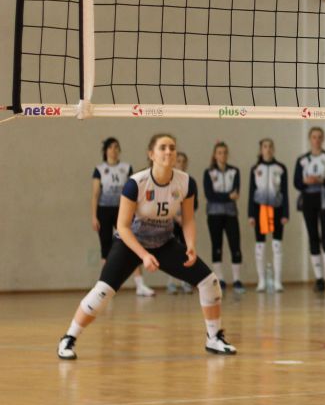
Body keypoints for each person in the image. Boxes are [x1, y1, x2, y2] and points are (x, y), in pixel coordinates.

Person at [58, 133, 237, 360]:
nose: (168, 151)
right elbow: (122, 227)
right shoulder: (136, 183)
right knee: (103, 292)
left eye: (172, 147)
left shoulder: (186, 182)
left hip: (164, 242)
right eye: (162, 147)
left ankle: (214, 338)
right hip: (131, 243)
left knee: (209, 282)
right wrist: (143, 255)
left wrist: (190, 245)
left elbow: (188, 219)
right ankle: (69, 338)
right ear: (151, 154)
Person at [92, 138, 153, 296]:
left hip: (123, 209)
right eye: (110, 147)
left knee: (131, 244)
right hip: (104, 211)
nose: (114, 150)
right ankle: (104, 288)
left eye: (116, 147)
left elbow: (134, 190)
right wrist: (94, 216)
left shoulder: (126, 168)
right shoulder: (99, 169)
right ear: (105, 151)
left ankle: (140, 285)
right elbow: (95, 194)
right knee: (106, 248)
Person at [296, 127, 325, 292]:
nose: (317, 140)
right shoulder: (302, 160)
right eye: (314, 137)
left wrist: (322, 180)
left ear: (323, 139)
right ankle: (319, 278)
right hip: (308, 201)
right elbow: (296, 182)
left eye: (320, 137)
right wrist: (306, 181)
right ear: (310, 139)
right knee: (313, 237)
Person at [249, 138, 289, 292]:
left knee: (277, 245)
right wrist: (251, 214)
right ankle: (262, 281)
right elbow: (251, 192)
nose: (268, 149)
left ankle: (278, 281)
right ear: (261, 149)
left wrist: (285, 213)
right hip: (260, 210)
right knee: (260, 245)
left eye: (271, 146)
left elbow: (285, 192)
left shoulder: (281, 168)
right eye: (265, 146)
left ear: (274, 149)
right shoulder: (255, 169)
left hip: (277, 209)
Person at [203, 142, 244, 292]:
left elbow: (236, 193)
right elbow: (210, 195)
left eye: (225, 152)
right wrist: (227, 196)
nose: (223, 155)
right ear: (215, 155)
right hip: (214, 214)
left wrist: (223, 196)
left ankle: (237, 280)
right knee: (217, 246)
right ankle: (220, 279)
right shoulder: (209, 173)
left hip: (231, 213)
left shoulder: (234, 171)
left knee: (235, 246)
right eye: (219, 152)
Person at [167, 151, 197, 294]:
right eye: (178, 161)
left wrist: (184, 218)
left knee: (186, 251)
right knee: (171, 252)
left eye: (184, 161)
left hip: (185, 222)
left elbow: (194, 204)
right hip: (170, 222)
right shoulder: (168, 180)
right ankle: (171, 282)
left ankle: (185, 281)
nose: (181, 164)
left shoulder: (190, 182)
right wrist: (175, 217)